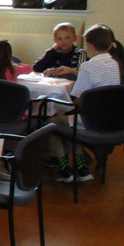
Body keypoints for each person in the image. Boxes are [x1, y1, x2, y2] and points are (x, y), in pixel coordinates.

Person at [47, 25, 123, 182]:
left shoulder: (87, 66)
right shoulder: (115, 63)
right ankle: (80, 165)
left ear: (88, 45)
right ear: (109, 45)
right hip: (111, 120)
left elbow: (77, 98)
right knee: (66, 124)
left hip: (89, 121)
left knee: (50, 124)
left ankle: (64, 167)